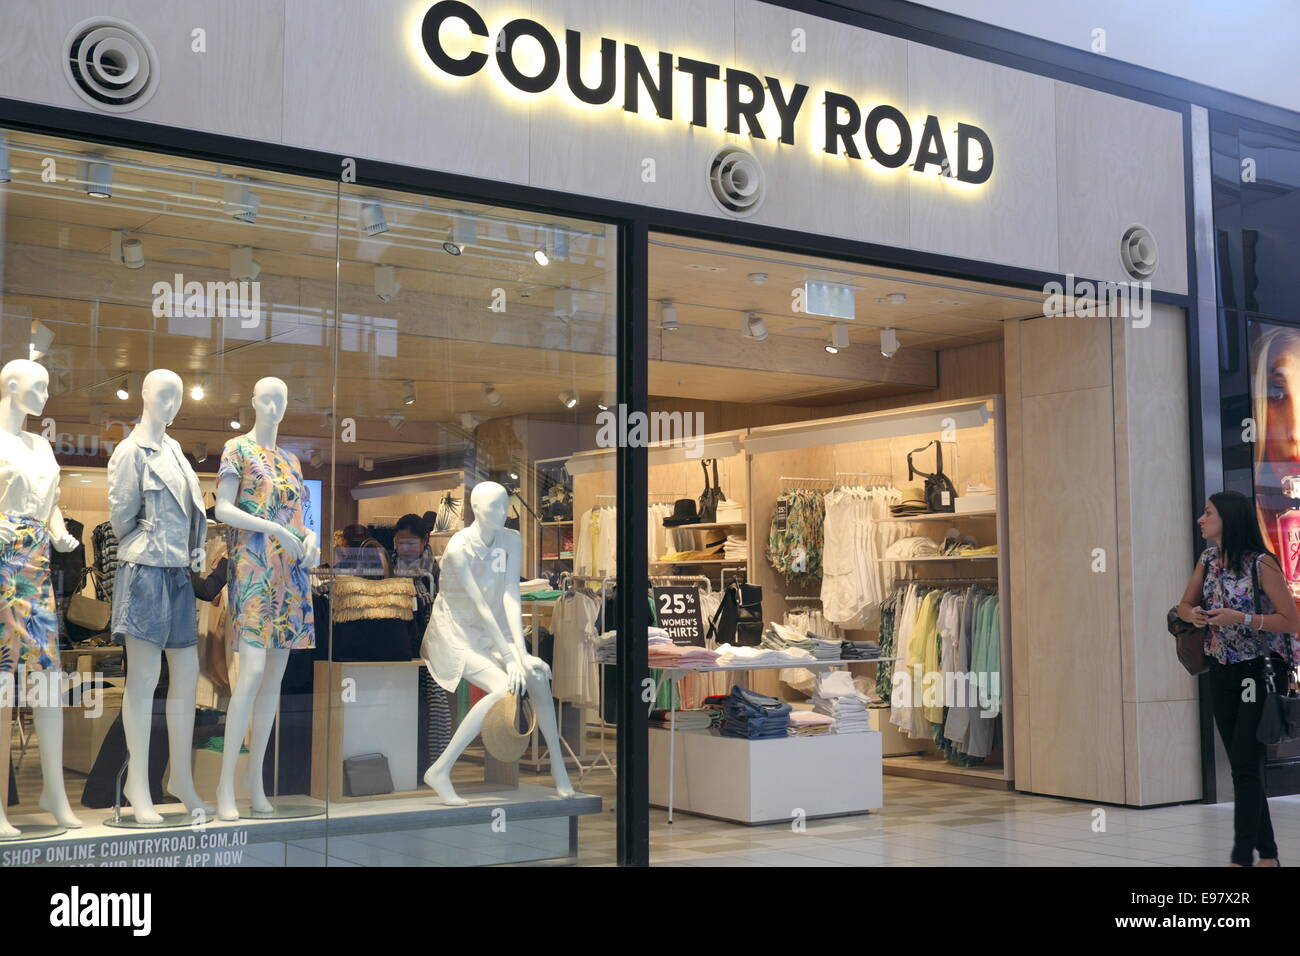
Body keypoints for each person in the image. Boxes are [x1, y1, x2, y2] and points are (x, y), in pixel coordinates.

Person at [1178, 490, 1300, 866]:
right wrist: (1194, 615)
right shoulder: (1208, 559)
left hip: (1259, 671)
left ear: (1228, 519)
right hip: (1221, 669)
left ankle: (1241, 856)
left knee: (1247, 764)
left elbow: (1292, 620)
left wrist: (1242, 617)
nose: (1201, 519)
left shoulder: (1260, 564)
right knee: (1242, 766)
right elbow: (1183, 604)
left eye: (1208, 513)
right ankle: (1269, 856)